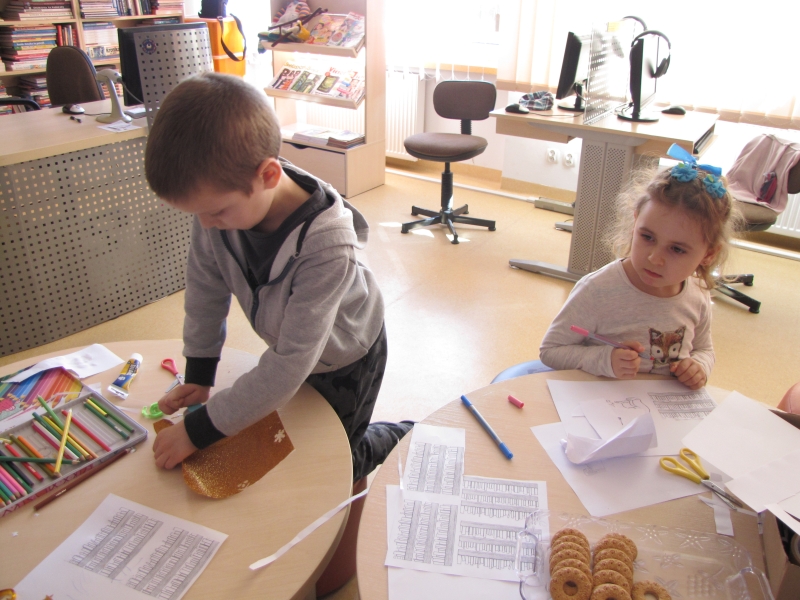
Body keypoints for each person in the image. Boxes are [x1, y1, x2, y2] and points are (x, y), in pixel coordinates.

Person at [143, 72, 412, 479]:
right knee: (294, 443)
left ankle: (402, 435)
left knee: (339, 460)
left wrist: (197, 431)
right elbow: (205, 288)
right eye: (197, 213)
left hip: (346, 355)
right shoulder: (221, 201)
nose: (206, 225)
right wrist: (199, 372)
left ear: (268, 175)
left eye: (215, 212)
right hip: (296, 347)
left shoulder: (326, 248)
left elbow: (289, 364)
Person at [539, 161, 740, 390]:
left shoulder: (698, 294)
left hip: (664, 406)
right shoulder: (598, 289)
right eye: (648, 237)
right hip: (602, 401)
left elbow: (704, 349)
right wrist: (605, 359)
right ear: (635, 222)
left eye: (676, 249)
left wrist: (699, 366)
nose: (655, 258)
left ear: (708, 254)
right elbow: (551, 351)